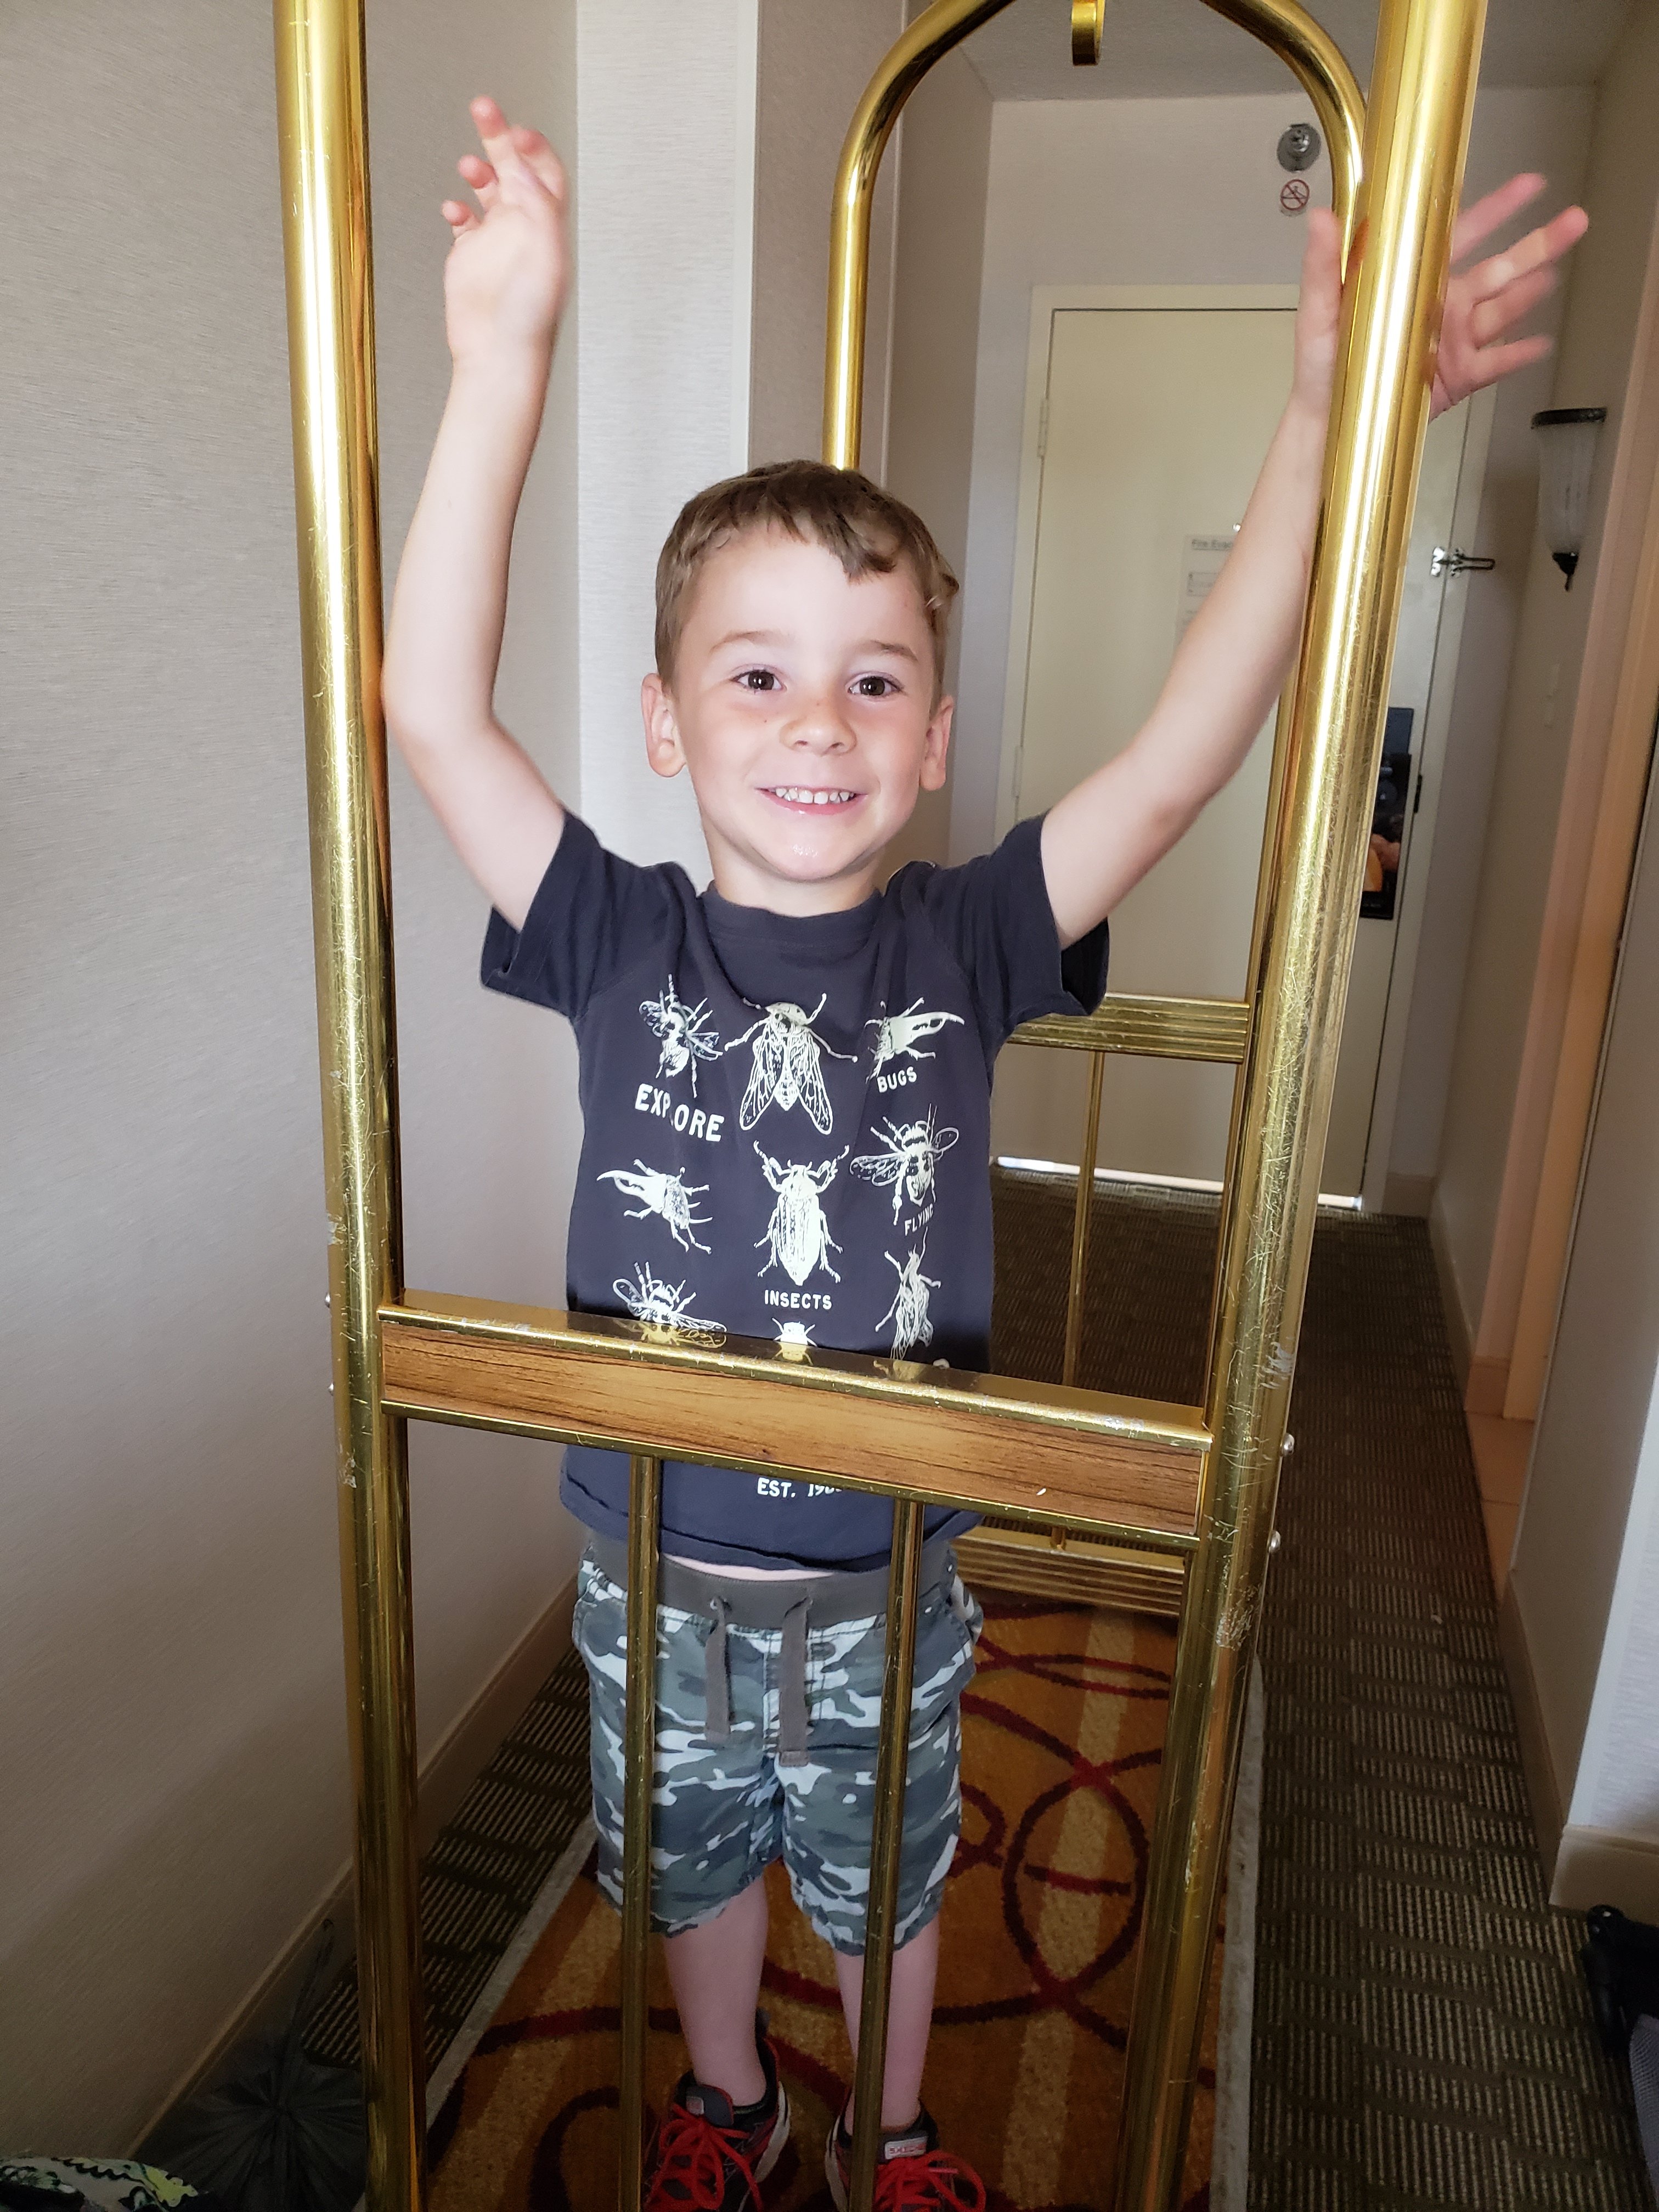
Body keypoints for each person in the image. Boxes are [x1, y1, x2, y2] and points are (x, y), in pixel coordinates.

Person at [382, 94, 1585, 2211]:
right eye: (754, 676)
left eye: (874, 679)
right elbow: (429, 707)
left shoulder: (974, 931)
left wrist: (1331, 424)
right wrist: (498, 370)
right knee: (689, 1848)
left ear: (936, 734)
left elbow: (1196, 738)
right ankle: (734, 2097)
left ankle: (907, 2124)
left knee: (893, 1853)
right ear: (668, 722)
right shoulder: (607, 931)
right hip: (648, 1546)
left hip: (900, 1559)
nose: (817, 723)